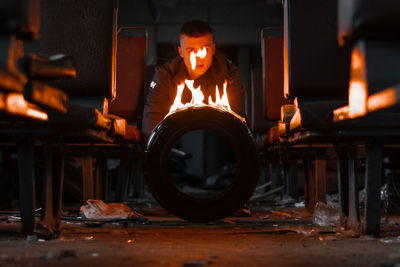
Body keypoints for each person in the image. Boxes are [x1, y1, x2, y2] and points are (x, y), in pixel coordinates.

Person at [142, 20, 244, 141]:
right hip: (174, 142)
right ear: (181, 52)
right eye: (191, 50)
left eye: (204, 49)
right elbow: (153, 115)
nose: (198, 57)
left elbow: (235, 118)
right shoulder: (165, 74)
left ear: (213, 49)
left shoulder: (228, 73)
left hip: (218, 141)